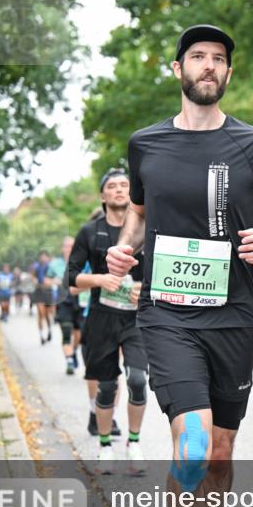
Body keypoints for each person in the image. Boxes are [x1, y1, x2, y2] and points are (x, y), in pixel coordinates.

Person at [105, 24, 253, 507]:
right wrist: (124, 248)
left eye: (218, 59)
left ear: (228, 73)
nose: (208, 66)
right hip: (166, 313)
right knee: (191, 444)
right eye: (197, 57)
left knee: (219, 452)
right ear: (178, 69)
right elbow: (138, 216)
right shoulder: (146, 144)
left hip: (235, 314)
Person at [68, 169, 149, 473]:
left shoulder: (148, 229)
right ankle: (104, 446)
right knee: (106, 387)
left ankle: (134, 443)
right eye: (112, 186)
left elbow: (163, 271)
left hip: (136, 318)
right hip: (102, 318)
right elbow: (71, 278)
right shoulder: (90, 232)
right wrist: (100, 279)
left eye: (124, 185)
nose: (119, 189)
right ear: (102, 195)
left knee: (138, 380)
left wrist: (144, 289)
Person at [53, 236, 84, 375]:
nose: (70, 248)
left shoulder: (82, 262)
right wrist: (54, 281)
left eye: (72, 246)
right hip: (63, 302)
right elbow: (46, 280)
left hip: (78, 302)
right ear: (63, 248)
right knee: (66, 333)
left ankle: (73, 351)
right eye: (67, 246)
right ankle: (69, 361)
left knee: (78, 335)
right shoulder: (55, 264)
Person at [31, 251, 56, 343]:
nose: (43, 258)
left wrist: (50, 282)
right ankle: (41, 336)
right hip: (39, 291)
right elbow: (33, 277)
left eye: (45, 257)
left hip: (48, 292)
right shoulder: (36, 267)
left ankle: (49, 330)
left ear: (48, 258)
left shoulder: (51, 267)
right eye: (42, 257)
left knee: (46, 315)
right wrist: (34, 280)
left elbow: (56, 278)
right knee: (40, 313)